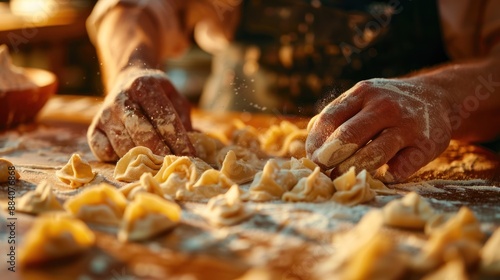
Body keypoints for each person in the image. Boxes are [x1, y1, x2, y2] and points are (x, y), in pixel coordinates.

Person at [86, 0, 500, 182]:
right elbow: (134, 5)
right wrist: (130, 68)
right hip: (223, 149)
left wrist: (441, 99)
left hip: (401, 167)